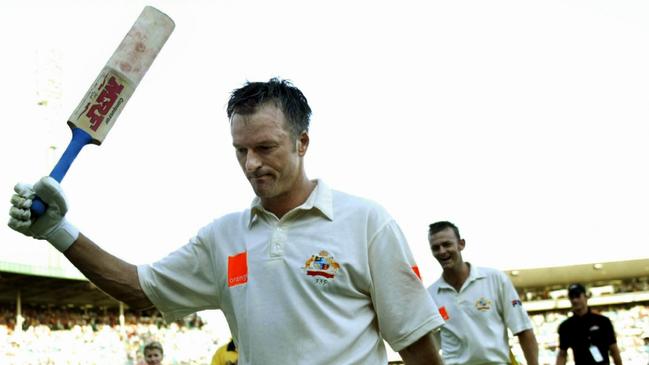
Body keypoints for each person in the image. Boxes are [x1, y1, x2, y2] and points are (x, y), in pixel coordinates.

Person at [8, 78, 445, 365]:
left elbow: (417, 347)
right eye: (241, 150)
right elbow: (139, 289)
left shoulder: (366, 222)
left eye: (266, 147)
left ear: (302, 143)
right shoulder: (223, 237)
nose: (252, 163)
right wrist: (58, 232)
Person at [426, 221, 539, 365]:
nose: (442, 251)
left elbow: (523, 330)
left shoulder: (495, 279)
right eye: (435, 248)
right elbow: (431, 346)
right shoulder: (430, 295)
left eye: (447, 244)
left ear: (461, 244)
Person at [556, 283, 623, 365]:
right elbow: (562, 354)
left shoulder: (603, 322)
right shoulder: (566, 327)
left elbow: (614, 349)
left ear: (585, 297)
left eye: (577, 296)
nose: (575, 300)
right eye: (572, 297)